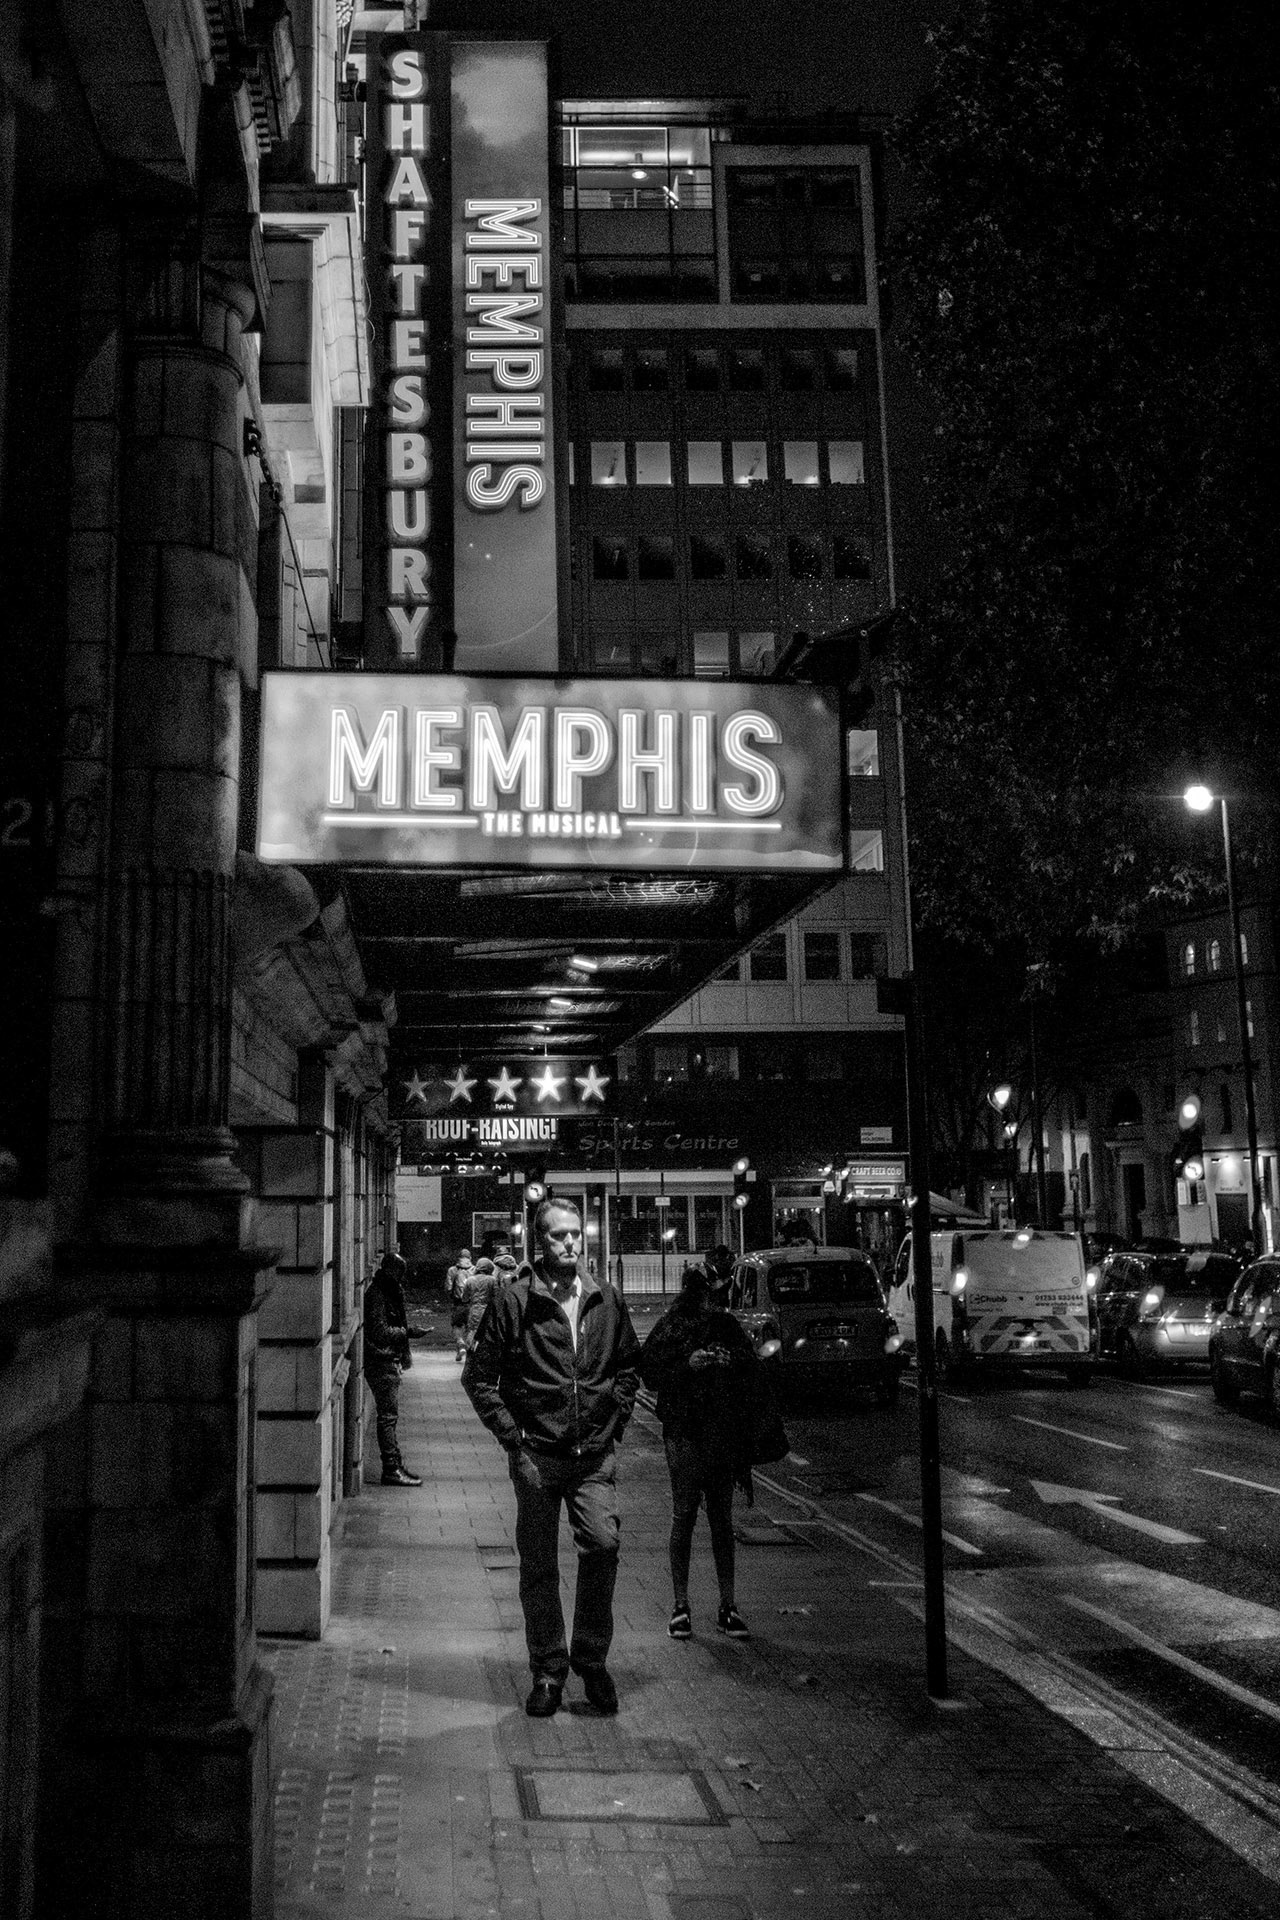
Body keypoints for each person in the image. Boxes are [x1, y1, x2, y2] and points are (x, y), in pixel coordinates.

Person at [462, 1196, 641, 1718]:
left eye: (575, 1234)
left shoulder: (605, 1299)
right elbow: (479, 1378)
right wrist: (512, 1440)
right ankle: (547, 1669)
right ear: (539, 1241)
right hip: (537, 1456)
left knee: (603, 1545)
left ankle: (591, 1659)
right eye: (558, 1235)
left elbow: (628, 1366)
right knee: (539, 1566)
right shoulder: (515, 1301)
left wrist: (616, 1420)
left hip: (594, 1456)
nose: (569, 1243)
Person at [638, 1263, 769, 1641]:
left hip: (712, 1431)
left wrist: (728, 1360)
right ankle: (702, 1606)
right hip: (689, 1431)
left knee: (708, 1519)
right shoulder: (676, 1324)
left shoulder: (718, 1325)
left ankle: (704, 1607)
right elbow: (650, 1373)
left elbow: (750, 1366)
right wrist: (688, 1364)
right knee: (698, 1517)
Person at [363, 1251, 422, 1487]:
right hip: (381, 1360)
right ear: (391, 1270)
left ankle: (395, 1464)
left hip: (386, 1359)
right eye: (400, 1272)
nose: (402, 1277)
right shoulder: (378, 1294)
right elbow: (379, 1331)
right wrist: (407, 1333)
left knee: (389, 1417)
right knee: (387, 1417)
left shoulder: (386, 1291)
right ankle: (391, 1468)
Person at [463, 1256, 498, 1352]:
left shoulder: (470, 1280)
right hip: (488, 1310)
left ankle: (470, 1351)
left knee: (472, 1330)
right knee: (487, 1332)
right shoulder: (492, 1280)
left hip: (474, 1309)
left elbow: (465, 1298)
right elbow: (497, 1296)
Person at [447, 1246, 474, 1360]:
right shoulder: (475, 1269)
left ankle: (460, 1343)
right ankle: (467, 1350)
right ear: (470, 1258)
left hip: (458, 1303)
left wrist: (452, 1296)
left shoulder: (452, 1270)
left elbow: (448, 1288)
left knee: (456, 1325)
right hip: (471, 1304)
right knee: (469, 1327)